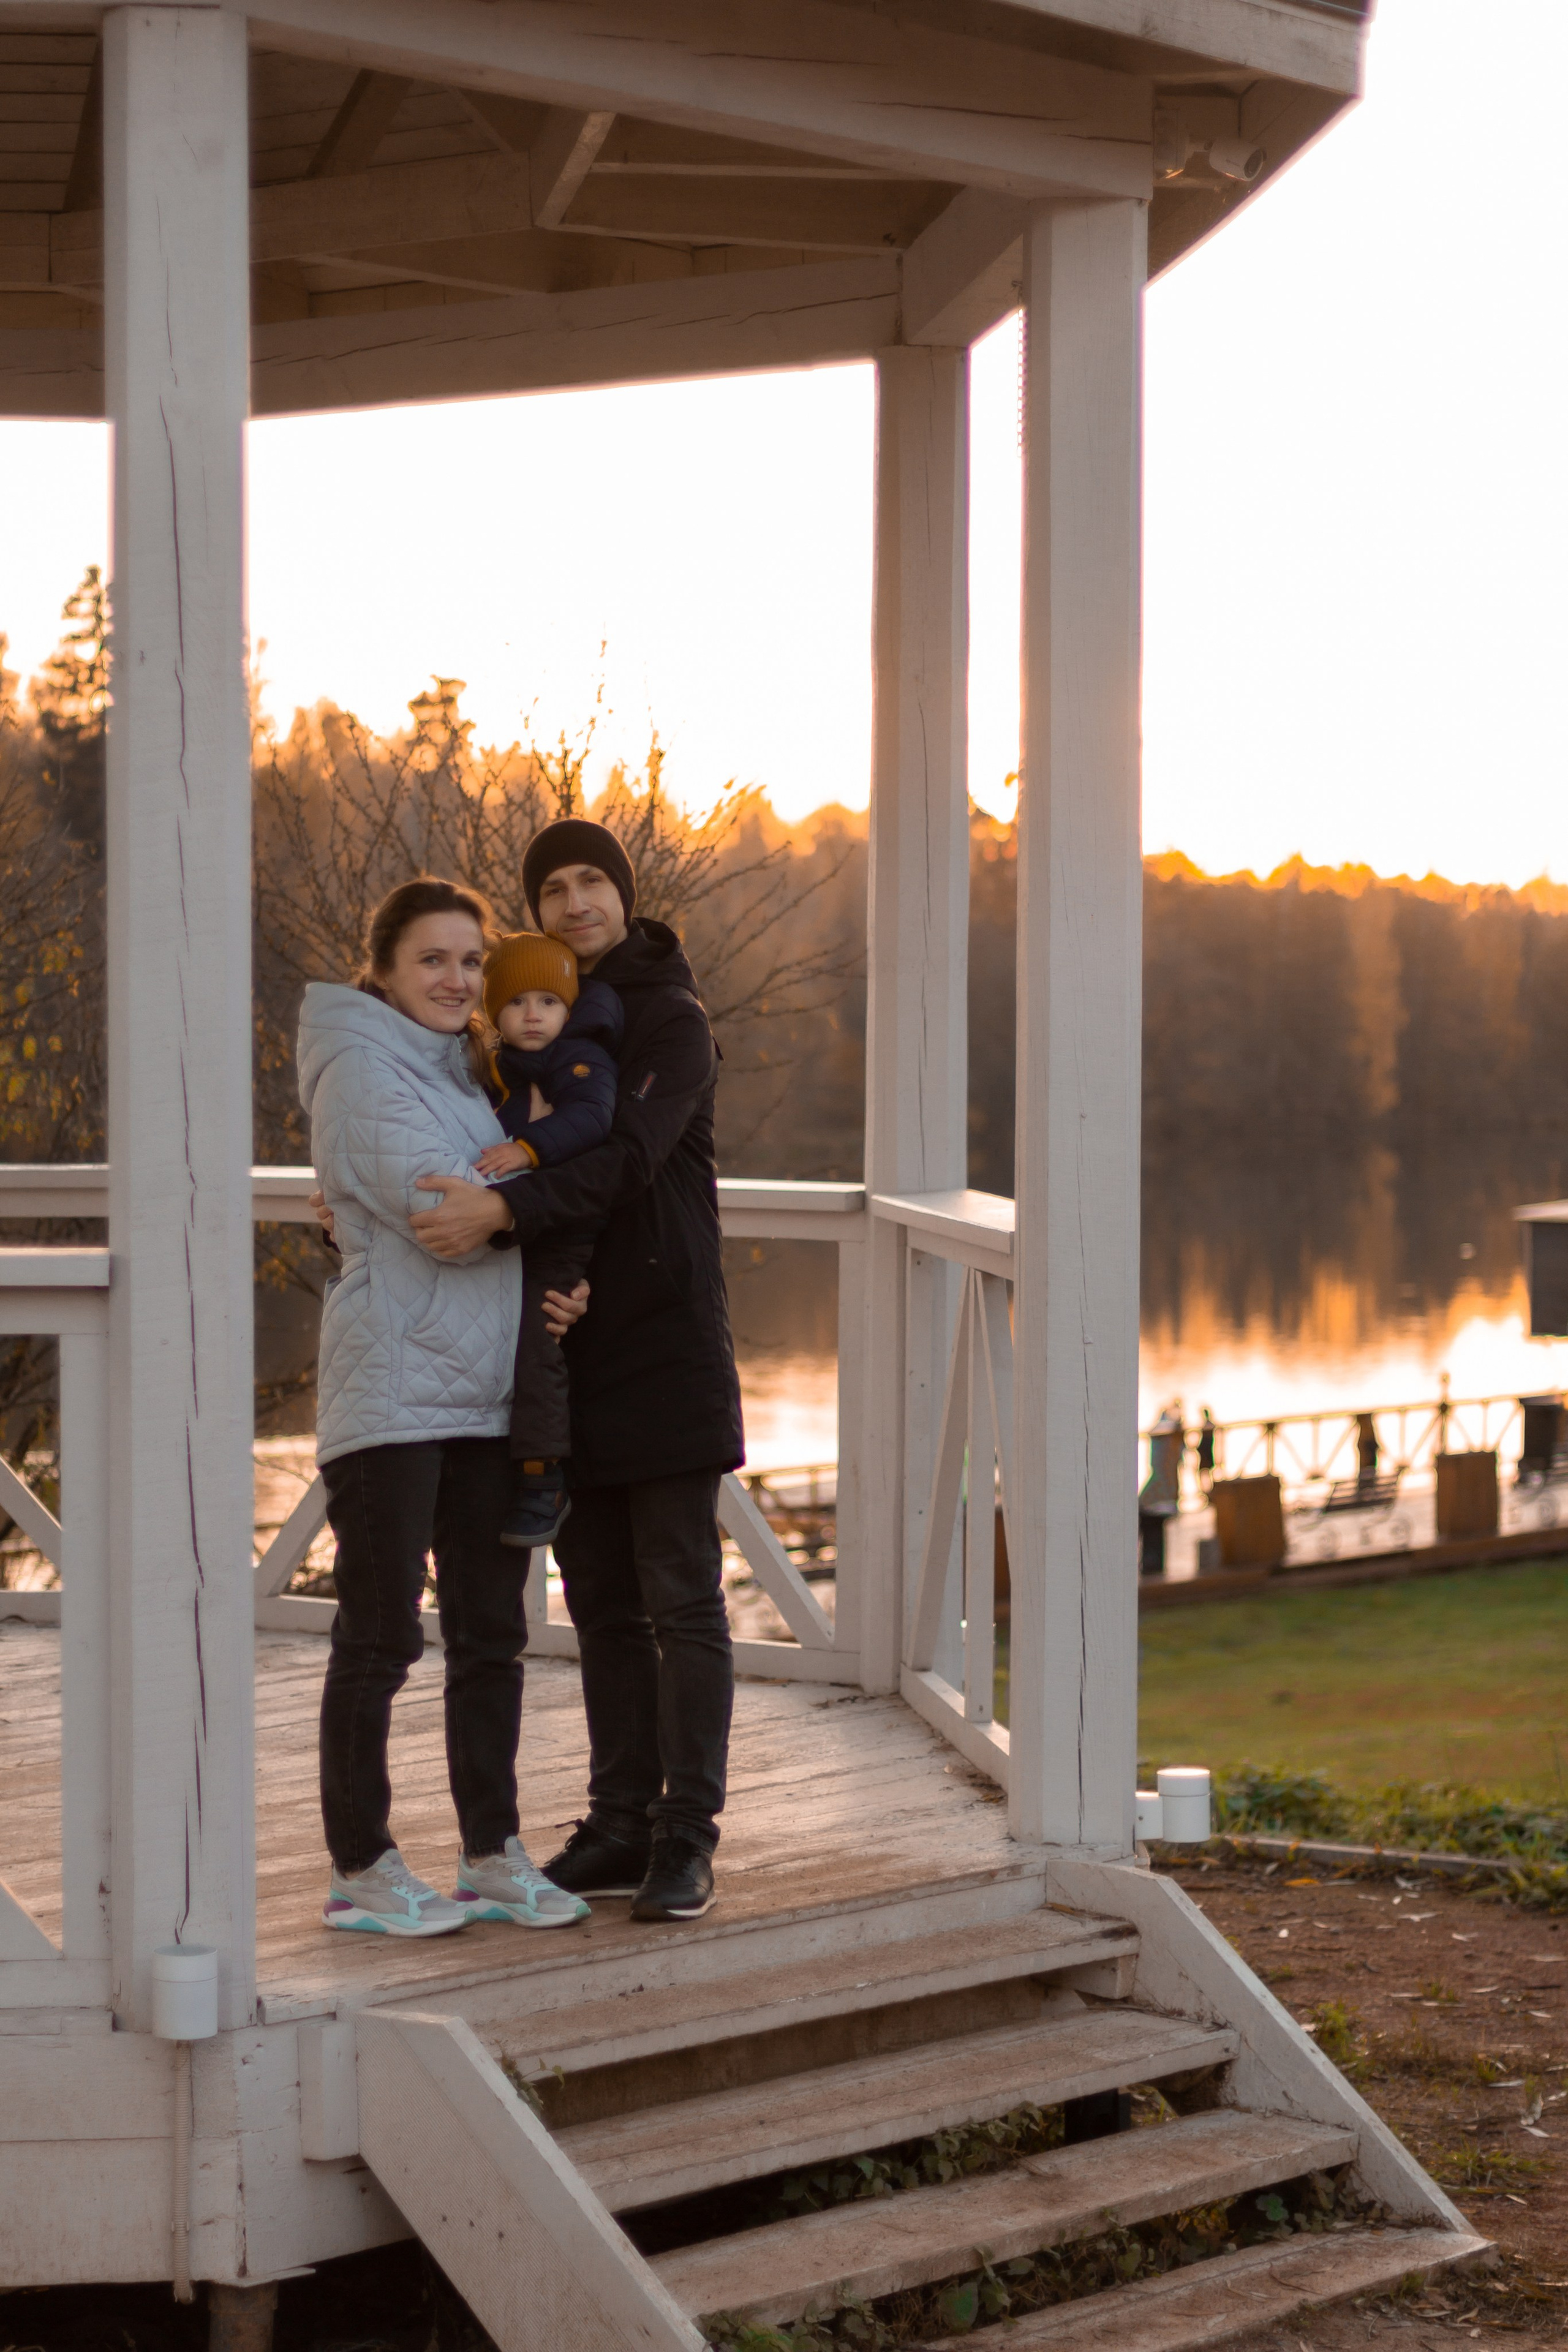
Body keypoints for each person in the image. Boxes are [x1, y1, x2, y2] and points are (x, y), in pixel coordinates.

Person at [406, 819, 744, 1925]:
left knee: (682, 1596)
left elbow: (626, 1157)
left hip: (669, 1337)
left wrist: (504, 1208)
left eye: (592, 880)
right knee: (598, 1597)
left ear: (625, 893)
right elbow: (470, 1131)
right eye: (552, 888)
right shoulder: (529, 1029)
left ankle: (687, 1838)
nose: (574, 901)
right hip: (572, 1344)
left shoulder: (672, 1021)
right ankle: (618, 1823)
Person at [298, 876, 590, 1939]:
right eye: (434, 959)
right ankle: (362, 1867)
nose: (458, 980)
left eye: (472, 962)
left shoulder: (466, 1069)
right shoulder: (356, 1060)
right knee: (379, 1638)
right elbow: (439, 1209)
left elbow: (490, 1201)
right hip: (391, 1389)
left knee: (490, 1637)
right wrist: (539, 1180)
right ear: (380, 967)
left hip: (485, 1390)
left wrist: (529, 1210)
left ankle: (491, 1857)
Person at [473, 929, 622, 1550]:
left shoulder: (580, 1059)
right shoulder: (489, 1066)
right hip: (499, 1231)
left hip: (557, 1231)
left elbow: (592, 1118)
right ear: (495, 1012)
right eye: (516, 1003)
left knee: (538, 1342)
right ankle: (482, 1468)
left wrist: (528, 1147)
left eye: (548, 1002)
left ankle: (542, 1476)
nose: (532, 1015)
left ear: (568, 1009)